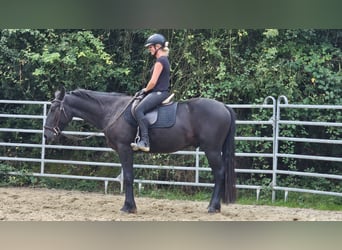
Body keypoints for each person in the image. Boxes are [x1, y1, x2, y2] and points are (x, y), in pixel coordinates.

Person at [130, 33, 171, 152]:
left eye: (150, 47)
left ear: (158, 46)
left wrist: (144, 90)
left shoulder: (160, 61)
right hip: (159, 92)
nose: (149, 49)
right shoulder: (164, 60)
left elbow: (153, 82)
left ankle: (145, 142)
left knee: (138, 110)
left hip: (159, 92)